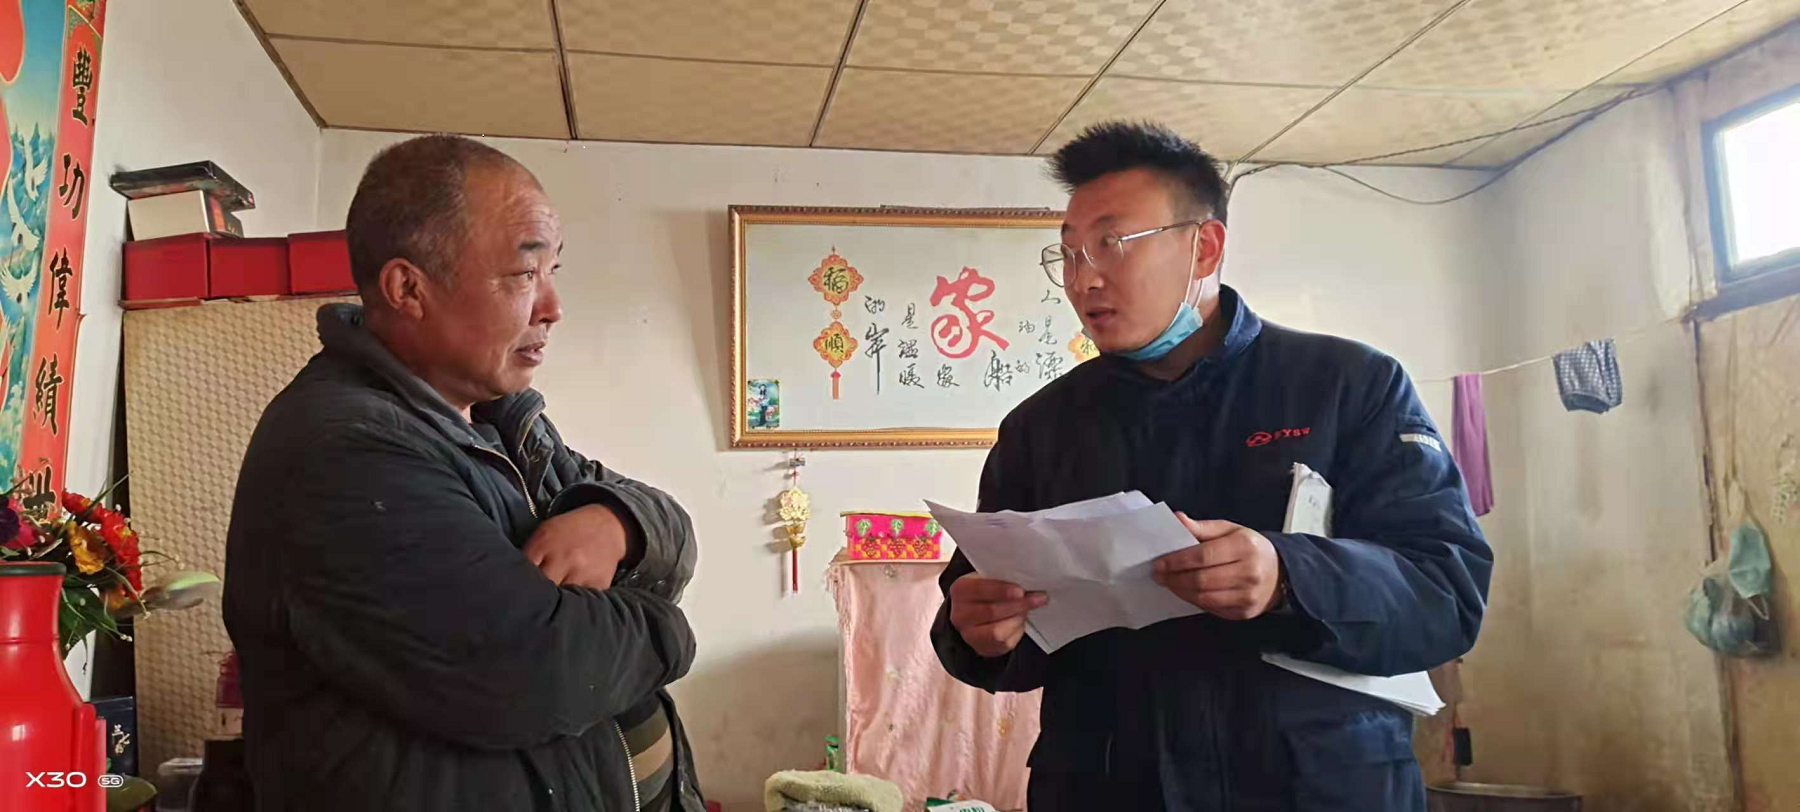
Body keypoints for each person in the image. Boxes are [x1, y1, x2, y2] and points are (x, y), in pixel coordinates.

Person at [931, 122, 1494, 811]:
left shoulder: (1348, 385)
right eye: (1069, 254)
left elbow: (1446, 594)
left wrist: (1288, 576)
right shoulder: (1041, 428)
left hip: (1314, 787)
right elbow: (978, 609)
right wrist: (977, 631)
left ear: (1205, 246)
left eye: (1111, 244)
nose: (1083, 280)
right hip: (1108, 786)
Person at [224, 135, 704, 812]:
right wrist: (671, 629)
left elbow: (669, 524)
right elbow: (536, 671)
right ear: (408, 289)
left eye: (553, 271)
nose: (553, 306)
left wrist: (618, 523)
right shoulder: (346, 451)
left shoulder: (499, 419)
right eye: (524, 275)